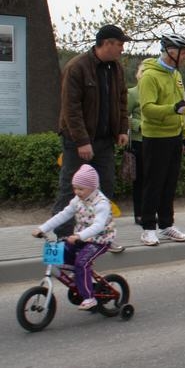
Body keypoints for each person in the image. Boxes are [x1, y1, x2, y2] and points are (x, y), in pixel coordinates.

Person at [53, 24, 130, 251]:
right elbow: (71, 108)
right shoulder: (77, 67)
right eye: (120, 44)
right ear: (106, 43)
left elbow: (122, 100)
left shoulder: (116, 68)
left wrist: (122, 129)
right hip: (78, 141)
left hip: (105, 141)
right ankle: (63, 238)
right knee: (72, 188)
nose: (122, 49)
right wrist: (82, 141)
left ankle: (101, 236)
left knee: (105, 188)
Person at [32, 164, 115, 310]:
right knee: (63, 252)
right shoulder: (77, 200)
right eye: (75, 188)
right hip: (80, 238)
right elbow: (63, 215)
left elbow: (98, 226)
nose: (77, 192)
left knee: (81, 263)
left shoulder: (101, 203)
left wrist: (79, 235)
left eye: (81, 189)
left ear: (93, 187)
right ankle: (79, 276)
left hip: (99, 240)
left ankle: (89, 298)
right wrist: (42, 228)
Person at [138, 33, 185, 246]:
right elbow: (147, 109)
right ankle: (148, 228)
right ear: (170, 51)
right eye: (183, 52)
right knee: (154, 184)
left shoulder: (176, 74)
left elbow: (181, 108)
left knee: (170, 183)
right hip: (155, 137)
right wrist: (172, 109)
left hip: (174, 136)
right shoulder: (150, 76)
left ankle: (166, 224)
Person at [125, 64, 145, 226]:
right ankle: (139, 213)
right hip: (139, 141)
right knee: (140, 180)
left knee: (155, 179)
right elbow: (123, 116)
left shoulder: (159, 92)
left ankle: (152, 211)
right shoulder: (132, 93)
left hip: (157, 140)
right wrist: (139, 125)